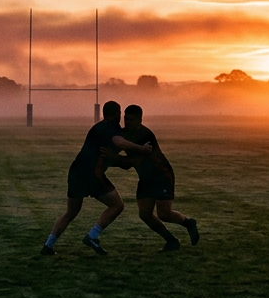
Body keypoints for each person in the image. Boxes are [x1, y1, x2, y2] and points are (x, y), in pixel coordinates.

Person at [41, 100, 153, 256]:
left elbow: (105, 157)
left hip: (76, 172)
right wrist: (143, 149)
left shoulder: (97, 127)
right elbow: (118, 141)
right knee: (117, 206)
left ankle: (48, 246)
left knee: (71, 212)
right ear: (117, 114)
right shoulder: (110, 128)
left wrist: (115, 159)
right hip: (91, 174)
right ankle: (92, 236)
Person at [112, 105, 199, 251]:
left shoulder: (146, 135)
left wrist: (111, 159)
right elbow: (121, 150)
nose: (127, 122)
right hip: (146, 179)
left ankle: (188, 222)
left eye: (131, 119)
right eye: (126, 119)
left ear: (140, 120)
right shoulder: (125, 134)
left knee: (164, 214)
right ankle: (171, 241)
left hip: (161, 176)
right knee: (145, 215)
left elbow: (131, 162)